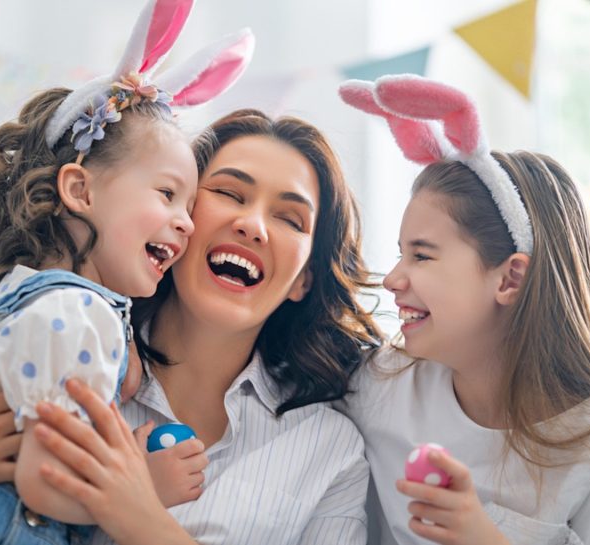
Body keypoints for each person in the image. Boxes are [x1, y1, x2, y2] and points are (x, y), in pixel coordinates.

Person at [0, 0, 254, 542]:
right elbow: (43, 480)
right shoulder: (78, 316)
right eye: (168, 194)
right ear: (79, 190)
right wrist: (142, 488)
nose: (187, 224)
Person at [337, 74, 590, 545]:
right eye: (400, 253)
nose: (393, 279)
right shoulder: (380, 387)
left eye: (422, 255)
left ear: (510, 278)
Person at [30, 108, 386, 544]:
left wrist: (136, 514)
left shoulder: (330, 449)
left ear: (303, 280)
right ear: (176, 216)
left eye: (290, 219)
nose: (252, 225)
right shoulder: (66, 347)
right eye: (230, 193)